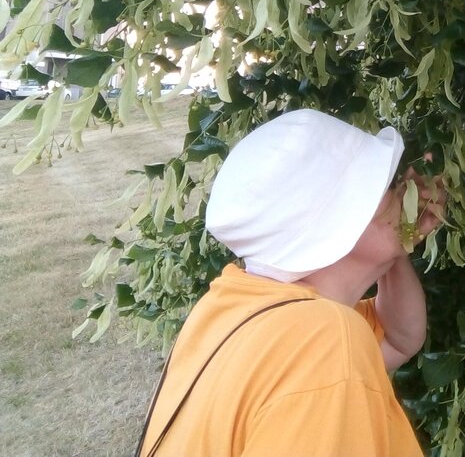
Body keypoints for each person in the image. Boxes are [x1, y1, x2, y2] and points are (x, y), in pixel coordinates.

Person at [137, 108, 446, 456]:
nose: (402, 193)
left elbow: (400, 338)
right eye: (387, 189)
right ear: (341, 221)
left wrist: (396, 242)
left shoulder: (236, 302)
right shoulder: (326, 341)